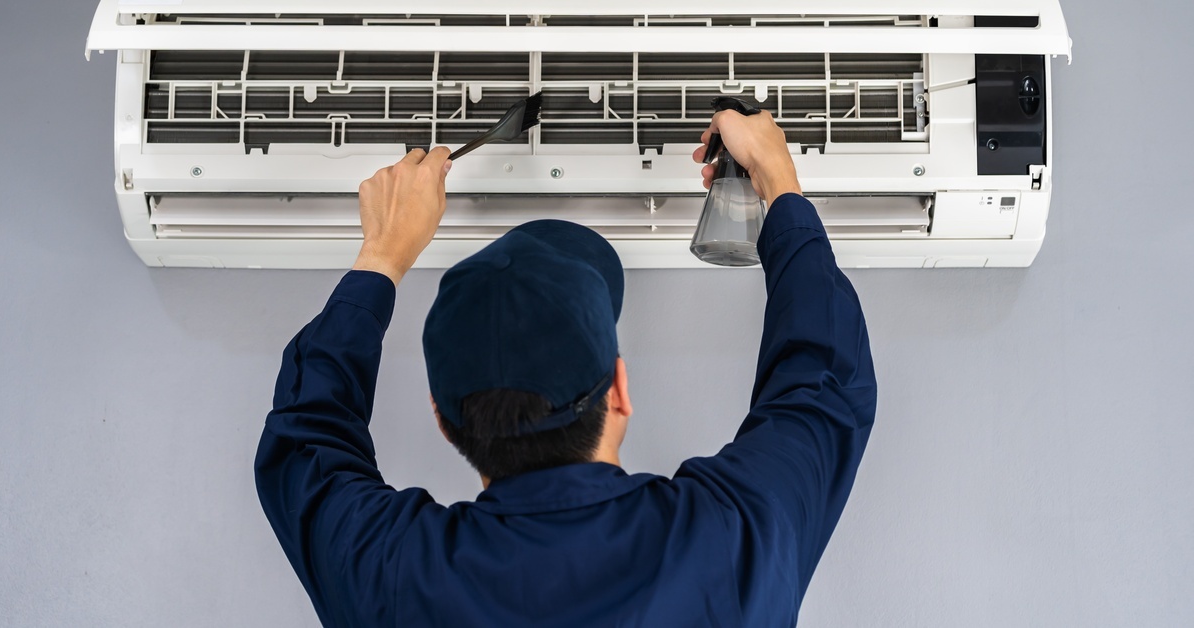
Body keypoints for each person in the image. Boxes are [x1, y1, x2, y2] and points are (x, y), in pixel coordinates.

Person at [255, 109, 877, 627]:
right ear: (620, 392)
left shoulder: (388, 575)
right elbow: (823, 383)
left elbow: (305, 437)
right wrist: (776, 180)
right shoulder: (728, 542)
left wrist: (382, 255)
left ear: (443, 421)